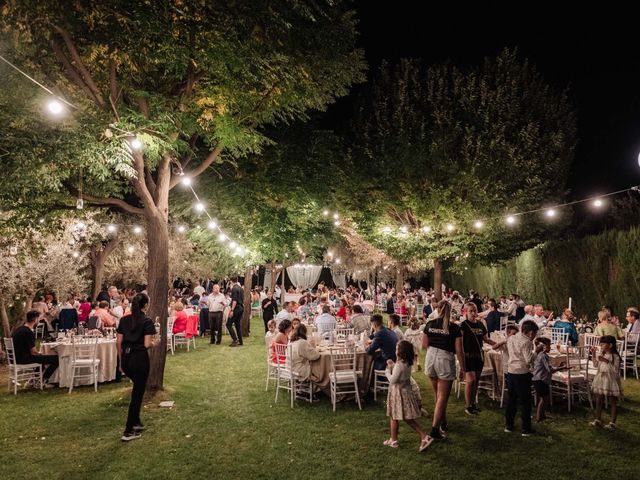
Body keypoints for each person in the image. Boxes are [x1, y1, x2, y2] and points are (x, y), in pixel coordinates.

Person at [116, 293, 158, 441]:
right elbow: (147, 344)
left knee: (137, 391)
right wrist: (155, 343)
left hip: (127, 359)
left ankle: (136, 421)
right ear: (145, 305)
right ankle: (128, 430)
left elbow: (119, 342)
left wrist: (121, 362)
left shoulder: (124, 320)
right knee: (137, 395)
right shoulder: (147, 321)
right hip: (139, 359)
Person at [422, 300, 463, 440]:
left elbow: (424, 344)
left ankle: (442, 422)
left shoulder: (429, 324)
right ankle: (434, 430)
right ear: (450, 311)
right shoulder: (454, 328)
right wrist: (463, 368)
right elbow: (459, 350)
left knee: (437, 394)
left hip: (430, 357)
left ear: (437, 309)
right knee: (442, 397)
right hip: (445, 358)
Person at [383, 340, 431, 452]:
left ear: (401, 352)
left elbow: (393, 380)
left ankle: (423, 436)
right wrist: (393, 365)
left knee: (401, 417)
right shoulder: (407, 363)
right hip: (404, 392)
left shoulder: (400, 365)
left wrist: (387, 370)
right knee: (397, 416)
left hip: (398, 394)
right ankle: (393, 439)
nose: (395, 350)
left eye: (396, 348)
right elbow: (400, 373)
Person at [460, 302, 495, 415]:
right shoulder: (463, 326)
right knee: (471, 381)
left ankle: (473, 403)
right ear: (465, 312)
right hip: (468, 356)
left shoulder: (480, 324)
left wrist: (498, 343)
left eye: (475, 311)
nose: (474, 313)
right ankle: (467, 405)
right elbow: (459, 343)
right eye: (471, 311)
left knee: (476, 382)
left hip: (479, 356)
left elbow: (486, 339)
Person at [505, 321, 539, 436]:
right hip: (521, 373)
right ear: (530, 333)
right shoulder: (527, 342)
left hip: (511, 371)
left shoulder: (511, 338)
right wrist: (536, 351)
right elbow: (528, 359)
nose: (534, 336)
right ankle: (526, 428)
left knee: (511, 400)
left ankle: (509, 425)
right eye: (535, 334)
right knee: (525, 402)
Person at [11, 310, 59, 385]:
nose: (40, 321)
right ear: (34, 319)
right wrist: (40, 354)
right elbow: (33, 352)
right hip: (24, 359)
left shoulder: (19, 329)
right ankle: (43, 380)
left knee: (41, 359)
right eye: (39, 319)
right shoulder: (28, 332)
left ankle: (33, 380)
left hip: (16, 358)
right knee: (56, 359)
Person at [532, 337, 567, 422]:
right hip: (541, 380)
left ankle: (542, 415)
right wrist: (562, 368)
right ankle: (539, 417)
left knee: (544, 398)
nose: (550, 348)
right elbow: (550, 369)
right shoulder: (544, 356)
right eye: (548, 346)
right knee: (543, 399)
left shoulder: (538, 355)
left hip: (537, 379)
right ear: (543, 346)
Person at [226, 276, 244, 347]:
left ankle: (235, 340)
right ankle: (240, 341)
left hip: (236, 308)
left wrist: (232, 310)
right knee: (237, 325)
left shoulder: (234, 289)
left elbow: (234, 300)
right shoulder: (240, 288)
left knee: (228, 324)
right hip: (241, 308)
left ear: (230, 281)